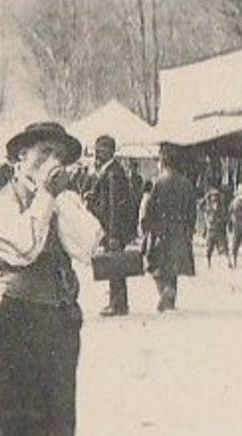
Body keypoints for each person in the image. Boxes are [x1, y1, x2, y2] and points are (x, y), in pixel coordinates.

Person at [0, 121, 103, 436]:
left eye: (59, 155)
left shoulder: (57, 200)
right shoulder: (0, 202)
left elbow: (87, 246)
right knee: (17, 415)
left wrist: (62, 199)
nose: (53, 162)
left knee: (60, 415)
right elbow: (26, 247)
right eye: (43, 153)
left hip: (60, 316)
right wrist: (47, 198)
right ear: (19, 159)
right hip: (19, 317)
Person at [84, 134, 139, 316]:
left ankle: (117, 304)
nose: (97, 154)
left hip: (112, 228)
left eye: (100, 150)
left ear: (109, 151)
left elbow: (114, 206)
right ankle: (117, 302)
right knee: (115, 264)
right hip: (110, 227)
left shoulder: (113, 173)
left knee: (115, 265)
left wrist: (114, 234)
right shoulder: (110, 171)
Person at [140, 146, 199, 312]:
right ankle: (171, 297)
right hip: (180, 228)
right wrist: (190, 229)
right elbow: (192, 209)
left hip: (161, 229)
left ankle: (165, 292)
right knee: (174, 265)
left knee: (157, 265)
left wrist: (146, 227)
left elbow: (148, 208)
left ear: (163, 162)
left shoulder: (158, 182)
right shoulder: (186, 183)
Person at [201, 184, 229, 266]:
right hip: (211, 229)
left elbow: (224, 216)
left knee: (224, 246)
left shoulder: (221, 206)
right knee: (209, 247)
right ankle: (208, 262)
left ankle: (228, 261)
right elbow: (201, 207)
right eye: (213, 196)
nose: (215, 197)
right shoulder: (208, 206)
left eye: (216, 196)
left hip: (219, 228)